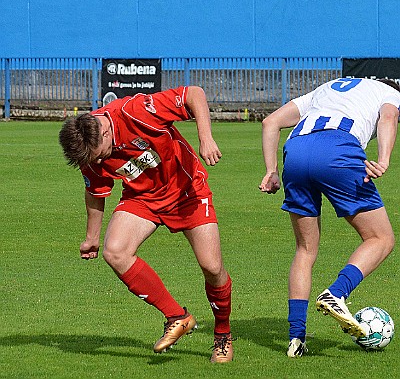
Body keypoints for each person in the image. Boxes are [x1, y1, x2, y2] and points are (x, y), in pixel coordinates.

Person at [59, 86, 233, 363]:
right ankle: (177, 316)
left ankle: (222, 334)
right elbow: (95, 191)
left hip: (188, 191)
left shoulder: (135, 111)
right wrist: (91, 236)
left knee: (212, 268)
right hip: (143, 197)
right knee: (114, 251)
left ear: (105, 132)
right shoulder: (87, 148)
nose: (99, 161)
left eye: (100, 154)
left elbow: (194, 94)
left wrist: (206, 138)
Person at [259, 77, 400, 358]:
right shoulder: (390, 93)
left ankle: (296, 338)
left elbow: (270, 122)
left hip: (295, 153)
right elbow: (389, 115)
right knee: (381, 238)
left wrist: (271, 171)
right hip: (337, 150)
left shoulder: (330, 86)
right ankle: (337, 293)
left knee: (305, 249)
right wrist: (383, 159)